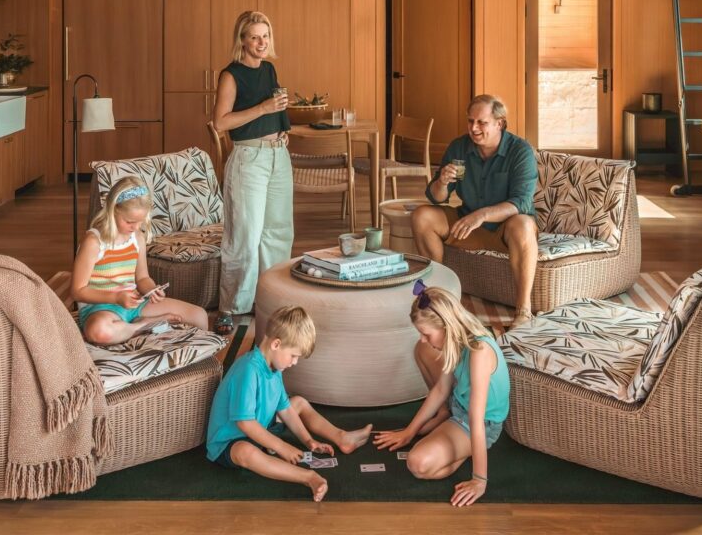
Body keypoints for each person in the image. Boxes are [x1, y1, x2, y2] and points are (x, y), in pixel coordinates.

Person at [205, 306, 371, 500]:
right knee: (246, 452)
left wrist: (308, 441)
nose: (295, 362)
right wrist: (282, 446)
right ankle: (308, 477)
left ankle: (341, 437)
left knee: (297, 402)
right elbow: (245, 423)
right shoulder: (248, 369)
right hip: (230, 441)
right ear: (276, 344)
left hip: (261, 427)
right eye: (294, 356)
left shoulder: (275, 368)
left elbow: (284, 407)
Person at [373, 282, 509, 507]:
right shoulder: (454, 340)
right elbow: (441, 389)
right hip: (458, 405)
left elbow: (476, 419)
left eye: (426, 333)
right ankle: (445, 420)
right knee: (422, 351)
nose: (422, 338)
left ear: (446, 326)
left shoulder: (479, 352)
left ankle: (465, 450)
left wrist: (479, 480)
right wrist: (409, 432)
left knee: (418, 464)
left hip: (480, 424)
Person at [411, 94, 540, 327]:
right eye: (470, 121)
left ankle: (523, 311)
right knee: (422, 216)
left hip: (505, 230)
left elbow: (521, 203)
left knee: (523, 224)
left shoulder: (520, 151)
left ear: (499, 123)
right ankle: (440, 297)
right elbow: (436, 198)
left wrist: (481, 215)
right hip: (468, 226)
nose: (474, 128)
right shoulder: (459, 148)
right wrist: (441, 181)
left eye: (482, 122)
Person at [212, 10, 293, 320]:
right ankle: (233, 308)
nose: (262, 42)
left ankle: (272, 299)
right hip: (249, 159)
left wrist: (281, 129)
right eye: (255, 37)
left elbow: (274, 108)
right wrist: (263, 108)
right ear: (242, 41)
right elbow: (220, 122)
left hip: (277, 156)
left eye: (266, 36)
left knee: (278, 232)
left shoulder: (269, 69)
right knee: (245, 235)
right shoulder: (230, 74)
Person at [70, 175, 209, 346]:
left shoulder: (137, 238)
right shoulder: (93, 242)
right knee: (100, 331)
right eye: (129, 221)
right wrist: (116, 298)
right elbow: (77, 291)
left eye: (140, 221)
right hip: (101, 309)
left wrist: (152, 290)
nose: (136, 227)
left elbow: (142, 278)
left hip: (135, 306)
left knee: (199, 315)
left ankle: (131, 328)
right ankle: (144, 326)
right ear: (112, 211)